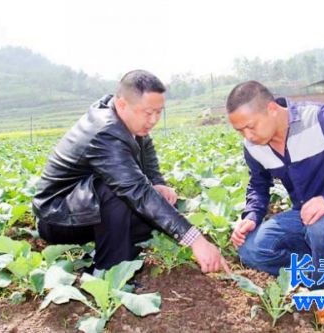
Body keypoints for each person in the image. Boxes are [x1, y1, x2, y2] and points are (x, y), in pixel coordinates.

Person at [32, 70, 229, 275]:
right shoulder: (106, 132)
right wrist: (195, 241)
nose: (153, 120)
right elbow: (136, 190)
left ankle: (111, 250)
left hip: (84, 210)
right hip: (57, 217)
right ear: (123, 104)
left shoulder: (124, 116)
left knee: (160, 209)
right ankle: (108, 272)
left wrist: (156, 181)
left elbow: (147, 154)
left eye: (158, 112)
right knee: (119, 192)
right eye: (147, 112)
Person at [226, 81, 324, 326]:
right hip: (302, 217)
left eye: (250, 126)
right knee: (250, 249)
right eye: (240, 131)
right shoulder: (254, 147)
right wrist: (251, 216)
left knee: (321, 224)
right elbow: (258, 184)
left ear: (271, 109)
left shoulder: (317, 118)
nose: (247, 135)